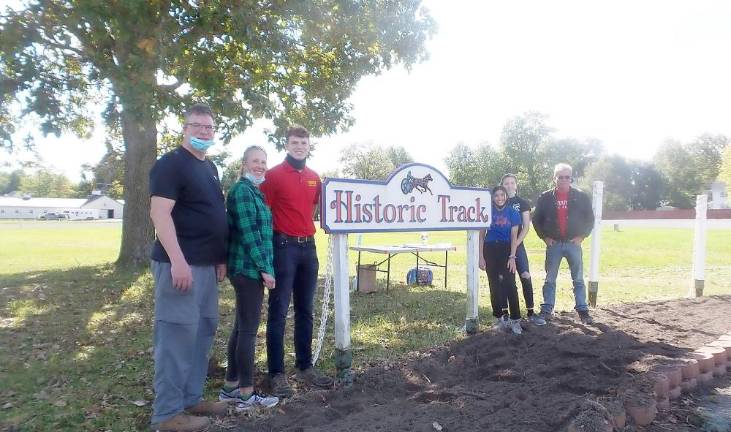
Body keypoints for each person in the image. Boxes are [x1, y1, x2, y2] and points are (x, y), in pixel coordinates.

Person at [148, 103, 229, 432]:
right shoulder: (170, 164)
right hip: (179, 266)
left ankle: (191, 399)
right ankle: (167, 415)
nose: (203, 132)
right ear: (185, 128)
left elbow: (212, 214)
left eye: (209, 128)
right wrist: (178, 261)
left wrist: (220, 257)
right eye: (197, 126)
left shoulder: (210, 168)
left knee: (202, 331)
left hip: (207, 266)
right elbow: (160, 214)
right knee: (176, 335)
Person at [260, 125, 333, 397]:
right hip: (283, 247)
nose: (299, 146)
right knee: (278, 311)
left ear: (308, 145)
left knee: (305, 309)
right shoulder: (273, 175)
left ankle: (305, 366)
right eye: (295, 142)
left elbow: (320, 207)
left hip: (308, 248)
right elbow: (265, 214)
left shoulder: (315, 177)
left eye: (303, 142)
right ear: (287, 144)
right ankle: (276, 374)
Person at [218, 146, 279, 411]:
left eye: (263, 162)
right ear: (244, 164)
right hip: (247, 269)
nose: (260, 166)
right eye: (255, 161)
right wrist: (265, 269)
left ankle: (230, 386)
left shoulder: (255, 191)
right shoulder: (242, 191)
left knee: (240, 328)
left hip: (249, 269)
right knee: (248, 331)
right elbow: (249, 235)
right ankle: (246, 394)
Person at [533, 163, 595, 324]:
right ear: (554, 178)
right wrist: (544, 238)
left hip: (573, 244)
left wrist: (582, 236)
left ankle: (583, 311)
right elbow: (536, 220)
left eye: (567, 177)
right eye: (560, 177)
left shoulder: (581, 196)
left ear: (571, 178)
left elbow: (590, 219)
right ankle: (547, 310)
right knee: (550, 279)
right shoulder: (545, 197)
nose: (564, 180)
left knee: (578, 279)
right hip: (554, 245)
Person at [500, 174, 546, 326]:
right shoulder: (498, 202)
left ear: (516, 185)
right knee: (506, 280)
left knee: (525, 275)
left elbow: (526, 227)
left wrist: (516, 244)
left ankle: (531, 312)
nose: (509, 185)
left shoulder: (522, 203)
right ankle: (506, 313)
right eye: (506, 183)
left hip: (518, 245)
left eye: (512, 183)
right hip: (502, 246)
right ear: (502, 186)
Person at [479, 185, 523, 335]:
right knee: (494, 285)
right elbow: (481, 236)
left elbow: (513, 237)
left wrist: (512, 256)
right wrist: (481, 257)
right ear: (493, 197)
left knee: (510, 284)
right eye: (496, 195)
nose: (499, 198)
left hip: (506, 250)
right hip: (490, 249)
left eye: (502, 195)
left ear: (506, 196)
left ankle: (516, 319)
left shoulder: (513, 212)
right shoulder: (486, 211)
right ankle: (499, 318)